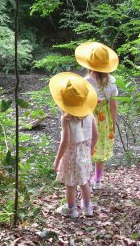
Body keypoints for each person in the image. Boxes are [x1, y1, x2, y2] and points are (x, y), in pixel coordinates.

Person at [49, 72, 99, 218]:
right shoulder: (90, 115)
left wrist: (57, 160)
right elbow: (96, 135)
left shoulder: (66, 120)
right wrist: (91, 150)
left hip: (71, 157)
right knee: (84, 182)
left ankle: (71, 209)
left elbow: (65, 142)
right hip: (85, 155)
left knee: (70, 184)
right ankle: (87, 208)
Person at [75, 41, 119, 190]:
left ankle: (86, 179)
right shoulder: (112, 82)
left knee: (87, 147)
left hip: (89, 118)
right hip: (105, 119)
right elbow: (113, 105)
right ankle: (98, 180)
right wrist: (113, 123)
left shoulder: (86, 81)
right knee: (101, 148)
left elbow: (82, 103)